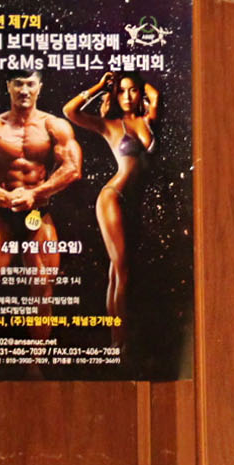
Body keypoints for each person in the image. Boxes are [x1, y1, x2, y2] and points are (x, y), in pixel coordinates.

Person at [0, 71, 82, 299]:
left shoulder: (55, 126)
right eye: (18, 84)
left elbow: (73, 168)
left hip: (38, 215)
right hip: (3, 215)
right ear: (9, 87)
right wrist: (3, 196)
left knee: (42, 293)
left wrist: (34, 194)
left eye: (30, 84)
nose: (24, 90)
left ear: (39, 88)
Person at [62, 70, 159, 322]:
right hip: (112, 197)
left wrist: (135, 81)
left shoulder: (149, 120)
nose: (127, 96)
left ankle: (118, 337)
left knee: (117, 273)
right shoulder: (110, 125)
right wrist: (99, 87)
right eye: (121, 91)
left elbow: (155, 95)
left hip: (132, 204)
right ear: (115, 95)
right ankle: (121, 338)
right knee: (123, 271)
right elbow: (70, 111)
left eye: (132, 90)